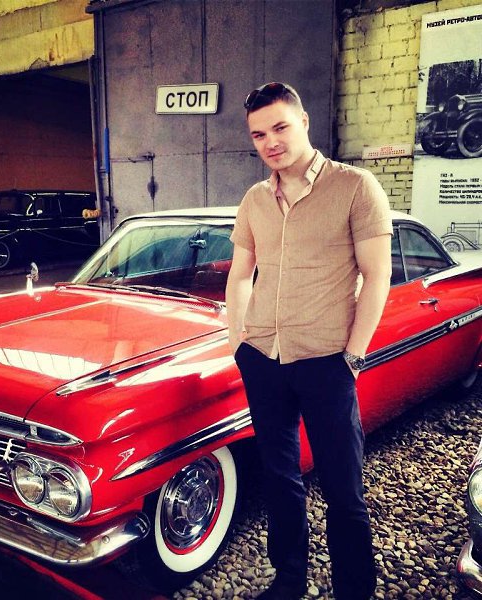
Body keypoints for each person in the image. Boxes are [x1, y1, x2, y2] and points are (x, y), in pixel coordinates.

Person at [225, 82, 392, 600]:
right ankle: (289, 580)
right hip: (264, 359)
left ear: (303, 122)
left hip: (327, 363)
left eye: (280, 127)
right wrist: (238, 343)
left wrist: (353, 356)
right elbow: (240, 274)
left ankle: (354, 590)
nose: (270, 142)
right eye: (259, 134)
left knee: (343, 488)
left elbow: (377, 275)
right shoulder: (255, 199)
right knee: (279, 478)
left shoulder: (355, 187)